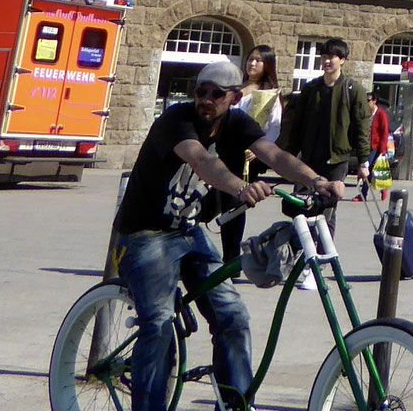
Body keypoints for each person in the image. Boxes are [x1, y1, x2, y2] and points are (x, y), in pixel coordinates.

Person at [113, 59, 346, 411]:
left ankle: (235, 404)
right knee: (158, 324)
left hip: (188, 232)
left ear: (234, 97)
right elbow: (202, 162)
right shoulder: (176, 120)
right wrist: (241, 188)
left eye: (216, 94)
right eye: (201, 91)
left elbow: (275, 154)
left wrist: (317, 181)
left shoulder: (237, 122)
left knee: (233, 316)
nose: (206, 99)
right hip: (145, 234)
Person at [278, 38, 373, 242]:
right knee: (301, 207)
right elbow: (297, 125)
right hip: (309, 159)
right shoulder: (310, 88)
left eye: (332, 57)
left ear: (343, 60)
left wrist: (364, 162)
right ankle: (301, 253)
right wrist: (289, 156)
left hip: (337, 160)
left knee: (327, 210)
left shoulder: (353, 89)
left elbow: (362, 127)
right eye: (324, 57)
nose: (327, 61)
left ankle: (322, 256)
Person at [219, 45, 282, 264]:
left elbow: (274, 127)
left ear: (268, 65)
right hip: (222, 150)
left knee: (235, 202)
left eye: (258, 60)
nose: (252, 63)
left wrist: (259, 150)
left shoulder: (268, 94)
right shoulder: (236, 87)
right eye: (250, 59)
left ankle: (231, 258)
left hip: (246, 156)